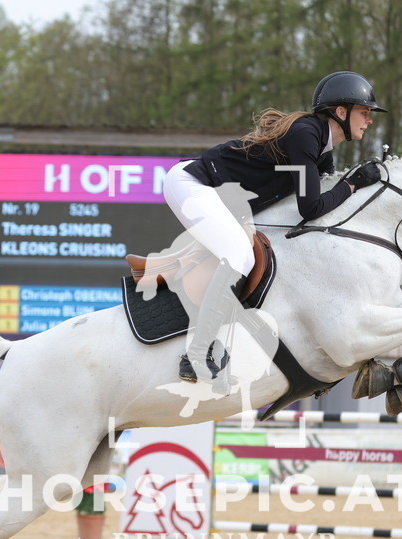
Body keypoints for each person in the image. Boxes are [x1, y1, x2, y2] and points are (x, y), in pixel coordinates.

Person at [163, 70, 387, 386]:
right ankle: (197, 354)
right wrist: (351, 184)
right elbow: (311, 207)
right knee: (240, 255)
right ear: (341, 112)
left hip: (220, 196)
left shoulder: (321, 149)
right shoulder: (306, 135)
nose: (370, 120)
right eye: (365, 112)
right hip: (193, 185)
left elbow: (321, 208)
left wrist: (353, 186)